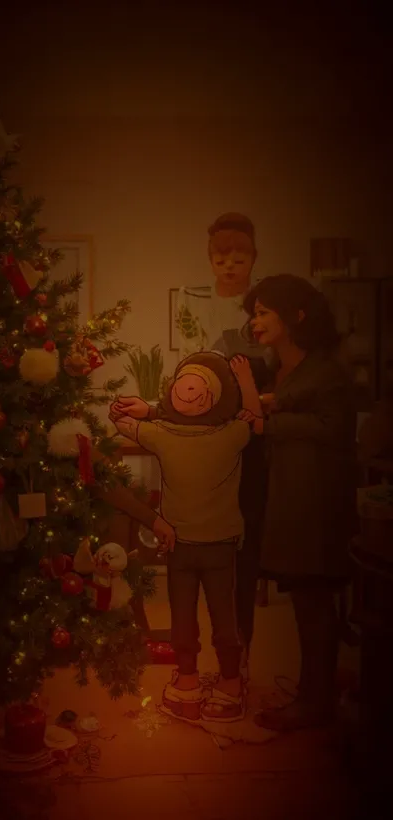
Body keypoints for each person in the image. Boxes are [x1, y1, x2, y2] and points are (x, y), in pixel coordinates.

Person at [233, 274, 357, 731]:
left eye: (264, 312)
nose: (256, 320)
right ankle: (311, 694)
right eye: (254, 312)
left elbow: (338, 432)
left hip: (315, 504)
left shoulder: (328, 370)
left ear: (296, 316)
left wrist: (273, 422)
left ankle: (316, 703)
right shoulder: (276, 367)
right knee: (306, 601)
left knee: (313, 601)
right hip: (285, 498)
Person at [110, 351, 259, 726]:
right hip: (206, 544)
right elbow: (256, 421)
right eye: (186, 383)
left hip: (194, 544)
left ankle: (208, 679)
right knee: (205, 616)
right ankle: (218, 680)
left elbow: (119, 423)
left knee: (195, 616)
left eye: (198, 386)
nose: (189, 390)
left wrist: (147, 410)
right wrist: (245, 382)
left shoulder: (164, 433)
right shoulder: (231, 433)